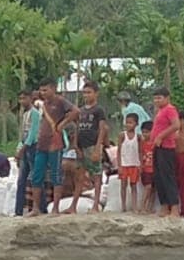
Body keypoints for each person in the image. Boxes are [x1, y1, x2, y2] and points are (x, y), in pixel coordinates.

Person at [29, 80, 77, 217]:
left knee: (56, 175)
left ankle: (55, 208)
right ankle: (35, 208)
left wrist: (62, 124)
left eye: (45, 90)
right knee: (37, 175)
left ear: (53, 89)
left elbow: (75, 111)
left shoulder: (60, 101)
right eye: (41, 90)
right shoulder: (44, 104)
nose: (43, 93)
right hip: (42, 143)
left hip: (55, 143)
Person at [68, 80, 109, 214]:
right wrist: (75, 145)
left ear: (96, 94)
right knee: (79, 177)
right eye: (84, 93)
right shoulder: (80, 110)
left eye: (89, 92)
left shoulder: (99, 110)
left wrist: (98, 148)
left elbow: (102, 129)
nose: (86, 95)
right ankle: (73, 206)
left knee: (96, 176)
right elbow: (77, 128)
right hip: (81, 146)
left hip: (92, 146)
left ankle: (95, 205)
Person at [149, 87, 181, 217]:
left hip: (166, 147)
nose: (157, 100)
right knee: (159, 177)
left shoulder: (170, 109)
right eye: (155, 98)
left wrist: (161, 136)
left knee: (167, 177)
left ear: (167, 98)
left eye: (159, 98)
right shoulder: (160, 111)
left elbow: (176, 125)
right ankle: (164, 206)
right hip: (157, 147)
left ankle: (174, 207)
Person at [14, 89, 40, 216]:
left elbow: (33, 133)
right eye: (20, 99)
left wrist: (23, 149)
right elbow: (22, 134)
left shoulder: (35, 113)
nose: (22, 101)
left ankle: (40, 207)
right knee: (21, 180)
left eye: (24, 98)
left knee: (35, 179)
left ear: (30, 98)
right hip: (25, 147)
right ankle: (18, 211)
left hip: (32, 147)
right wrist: (19, 149)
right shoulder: (24, 114)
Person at [114, 114, 140, 213]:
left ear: (136, 124)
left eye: (130, 123)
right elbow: (119, 151)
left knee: (133, 186)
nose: (128, 125)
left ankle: (134, 206)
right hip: (124, 164)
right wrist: (119, 165)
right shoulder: (122, 135)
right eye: (127, 122)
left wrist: (140, 164)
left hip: (134, 164)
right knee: (123, 185)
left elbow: (140, 151)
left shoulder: (138, 137)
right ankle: (123, 206)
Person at [138, 121, 156, 214]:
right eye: (143, 132)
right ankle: (142, 206)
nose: (145, 134)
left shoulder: (155, 143)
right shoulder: (142, 143)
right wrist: (141, 165)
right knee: (148, 187)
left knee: (153, 189)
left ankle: (150, 207)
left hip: (155, 169)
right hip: (146, 169)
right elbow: (140, 154)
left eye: (147, 132)